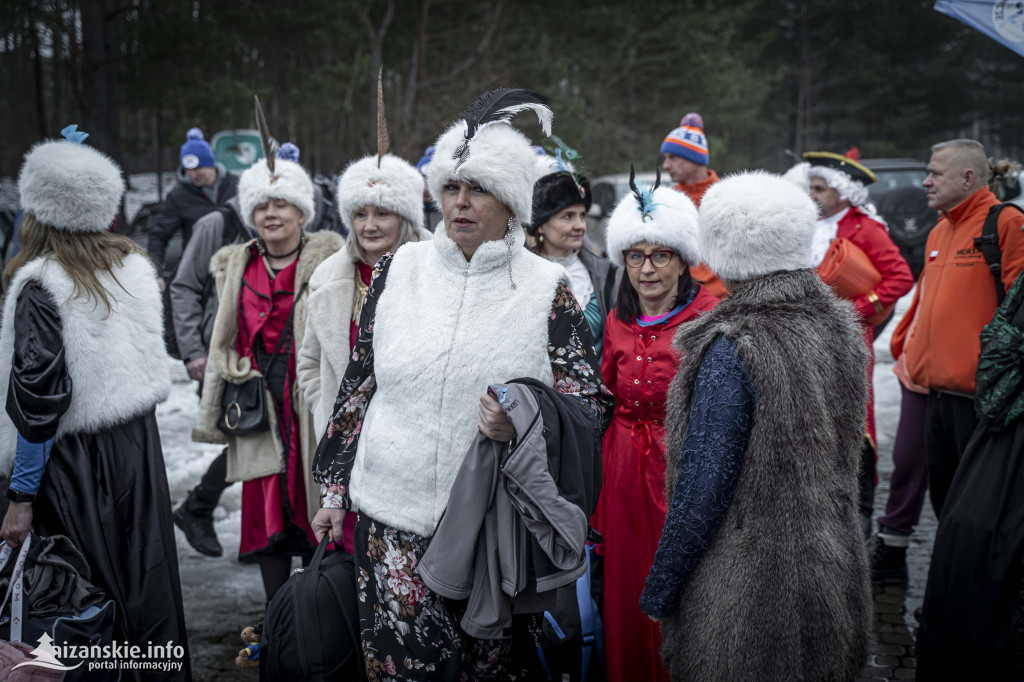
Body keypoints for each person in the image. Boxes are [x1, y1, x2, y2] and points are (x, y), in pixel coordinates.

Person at [311, 89, 612, 680]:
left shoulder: (547, 287)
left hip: (491, 530)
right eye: (452, 187)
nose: (462, 202)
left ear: (512, 203)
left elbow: (587, 410)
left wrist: (522, 420)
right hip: (390, 522)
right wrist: (331, 491)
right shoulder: (401, 269)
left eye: (480, 189)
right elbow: (358, 385)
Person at [639, 170, 871, 681]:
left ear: (720, 247)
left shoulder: (731, 344)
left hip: (748, 595)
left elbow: (703, 487)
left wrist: (662, 587)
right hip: (829, 570)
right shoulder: (839, 328)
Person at [0, 127, 190, 680]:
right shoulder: (132, 267)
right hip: (136, 453)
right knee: (141, 590)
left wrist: (20, 496)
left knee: (78, 596)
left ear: (36, 210)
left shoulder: (40, 285)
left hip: (73, 466)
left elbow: (39, 402)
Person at [190, 141, 343, 602]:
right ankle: (276, 621)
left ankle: (319, 618)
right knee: (266, 517)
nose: (270, 214)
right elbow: (223, 331)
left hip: (309, 402)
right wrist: (227, 367)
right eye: (261, 206)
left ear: (302, 213)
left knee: (314, 506)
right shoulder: (237, 264)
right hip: (258, 405)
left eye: (282, 205)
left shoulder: (329, 263)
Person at [593, 169, 718, 682]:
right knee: (623, 585)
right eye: (635, 255)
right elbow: (601, 395)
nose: (646, 269)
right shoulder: (616, 319)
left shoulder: (709, 316)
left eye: (660, 255)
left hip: (677, 466)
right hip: (620, 468)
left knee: (678, 584)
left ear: (683, 259)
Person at [296, 150, 431, 552]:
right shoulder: (328, 277)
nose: (369, 225)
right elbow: (310, 362)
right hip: (348, 456)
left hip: (414, 450)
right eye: (360, 214)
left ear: (405, 217)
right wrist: (330, 412)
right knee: (351, 562)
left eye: (383, 213)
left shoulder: (438, 269)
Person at [891, 139, 1024, 518]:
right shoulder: (937, 232)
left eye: (935, 173)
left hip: (981, 404)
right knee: (946, 510)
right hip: (936, 397)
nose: (925, 182)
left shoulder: (1007, 223)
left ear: (968, 178)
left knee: (981, 517)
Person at [804, 149, 914, 536]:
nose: (812, 193)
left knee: (854, 416)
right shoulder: (807, 223)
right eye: (811, 186)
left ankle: (861, 505)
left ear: (844, 191)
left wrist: (857, 308)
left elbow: (899, 278)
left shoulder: (867, 229)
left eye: (820, 188)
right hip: (806, 338)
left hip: (847, 338)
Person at [526, 152, 617, 360]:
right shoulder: (520, 274)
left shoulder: (601, 275)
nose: (580, 225)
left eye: (582, 215)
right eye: (568, 216)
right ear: (541, 225)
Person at [148, 127, 239, 285]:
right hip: (200, 275)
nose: (192, 175)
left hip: (238, 268)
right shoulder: (179, 196)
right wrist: (156, 273)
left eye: (197, 169)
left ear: (210, 164)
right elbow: (158, 235)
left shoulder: (236, 185)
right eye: (187, 170)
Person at [660, 113, 727, 298]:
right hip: (678, 304)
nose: (666, 165)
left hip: (723, 305)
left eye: (672, 157)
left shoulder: (728, 198)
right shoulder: (667, 200)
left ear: (694, 158)